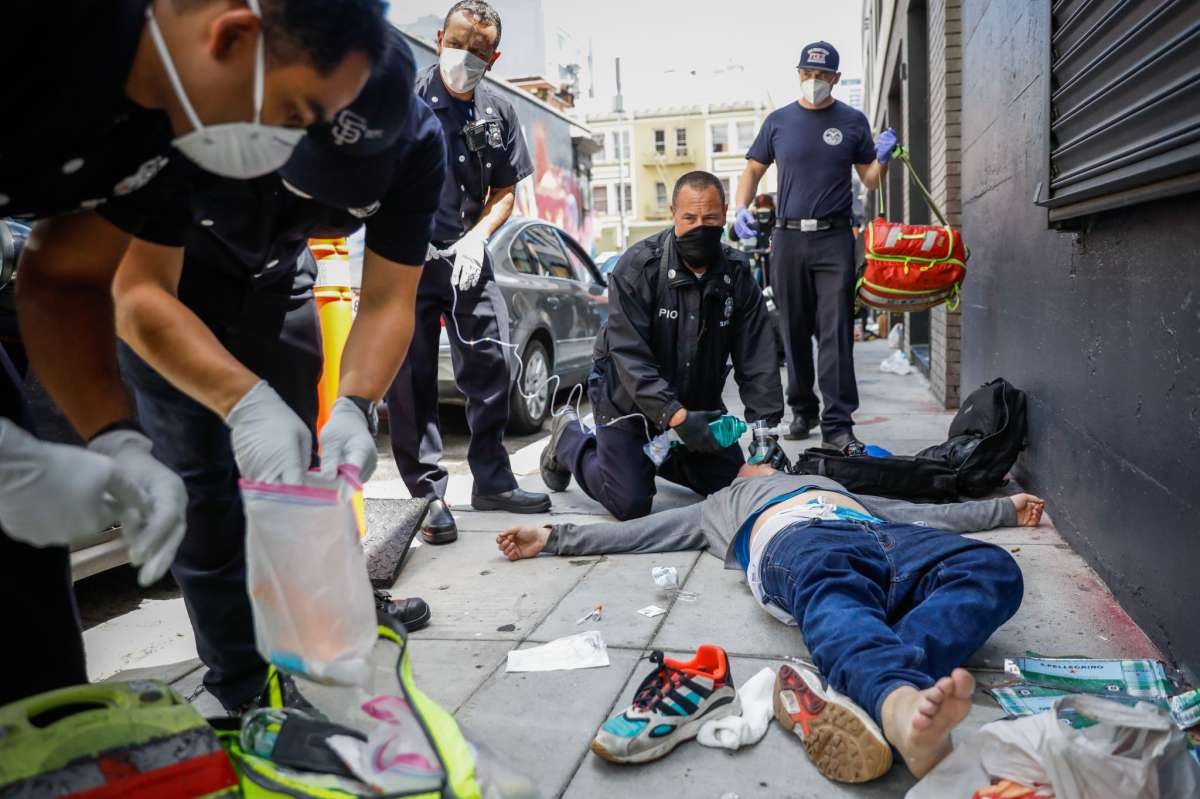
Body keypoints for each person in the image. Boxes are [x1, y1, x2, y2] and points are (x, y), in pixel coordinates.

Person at [0, 0, 388, 706]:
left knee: (31, 632)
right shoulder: (44, 31)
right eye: (294, 114)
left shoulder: (164, 140)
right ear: (233, 35)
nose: (290, 146)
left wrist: (118, 439)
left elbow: (67, 276)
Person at [98, 32, 444, 714]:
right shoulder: (198, 102)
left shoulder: (420, 144)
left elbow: (386, 300)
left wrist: (357, 401)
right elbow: (137, 293)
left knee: (300, 478)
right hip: (176, 285)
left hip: (278, 280)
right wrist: (243, 401)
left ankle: (333, 616)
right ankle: (243, 691)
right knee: (205, 495)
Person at [498, 464, 1041, 781]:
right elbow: (641, 531)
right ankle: (897, 701)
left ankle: (873, 680)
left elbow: (919, 512)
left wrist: (1004, 509)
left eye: (764, 460)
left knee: (991, 567)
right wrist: (554, 537)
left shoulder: (824, 480)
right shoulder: (723, 503)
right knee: (835, 593)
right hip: (797, 543)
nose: (759, 463)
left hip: (886, 538)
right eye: (749, 464)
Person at [386, 0, 549, 545]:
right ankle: (427, 497)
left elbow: (504, 192)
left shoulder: (498, 112)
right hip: (408, 262)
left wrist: (479, 237)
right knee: (411, 382)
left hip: (467, 259)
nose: (466, 57)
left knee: (492, 361)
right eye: (458, 44)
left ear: (494, 57)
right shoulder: (402, 102)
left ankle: (493, 481)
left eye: (479, 51)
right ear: (439, 39)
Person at [539, 171, 785, 521]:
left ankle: (658, 454)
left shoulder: (736, 274)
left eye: (711, 218)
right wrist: (675, 417)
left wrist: (765, 434)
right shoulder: (638, 268)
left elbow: (757, 356)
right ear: (673, 213)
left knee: (738, 485)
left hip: (694, 401)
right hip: (626, 399)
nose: (700, 226)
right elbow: (629, 357)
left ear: (726, 213)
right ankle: (569, 439)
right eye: (690, 218)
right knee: (629, 503)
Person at [734, 41, 898, 454]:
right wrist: (740, 207)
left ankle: (838, 423)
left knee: (836, 331)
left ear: (836, 79)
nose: (814, 82)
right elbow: (753, 168)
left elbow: (871, 179)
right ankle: (802, 409)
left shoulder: (852, 120)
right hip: (787, 239)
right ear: (798, 73)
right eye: (807, 73)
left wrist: (884, 156)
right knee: (793, 330)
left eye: (822, 76)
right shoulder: (778, 122)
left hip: (834, 239)